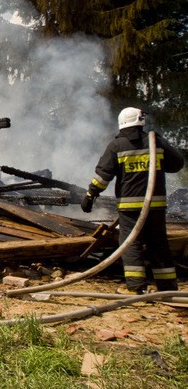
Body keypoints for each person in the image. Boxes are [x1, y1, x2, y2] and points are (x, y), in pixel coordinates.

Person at [81, 107, 184, 294]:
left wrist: (91, 195)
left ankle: (136, 288)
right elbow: (177, 163)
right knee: (159, 245)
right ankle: (168, 288)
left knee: (131, 245)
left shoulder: (117, 146)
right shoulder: (155, 142)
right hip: (155, 205)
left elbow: (103, 176)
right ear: (140, 120)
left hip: (129, 207)